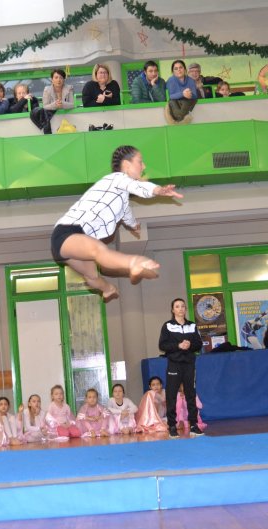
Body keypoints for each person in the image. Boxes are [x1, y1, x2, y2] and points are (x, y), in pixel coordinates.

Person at [51, 145, 182, 301]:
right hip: (67, 232)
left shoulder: (122, 198)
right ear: (126, 165)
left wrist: (134, 225)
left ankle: (108, 289)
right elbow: (139, 186)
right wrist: (158, 190)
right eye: (140, 162)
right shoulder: (116, 178)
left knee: (92, 276)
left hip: (77, 242)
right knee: (98, 250)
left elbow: (127, 215)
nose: (144, 166)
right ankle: (133, 262)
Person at [159, 297, 204, 438]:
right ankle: (172, 425)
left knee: (191, 394)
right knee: (171, 395)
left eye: (183, 306)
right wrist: (178, 346)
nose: (180, 309)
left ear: (185, 309)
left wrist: (190, 345)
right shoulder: (167, 326)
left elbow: (199, 344)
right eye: (177, 306)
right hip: (174, 364)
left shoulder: (192, 326)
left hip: (189, 364)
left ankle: (193, 425)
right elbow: (162, 345)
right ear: (173, 310)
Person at [33, 68, 74, 134]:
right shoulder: (47, 90)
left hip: (68, 117)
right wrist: (55, 105)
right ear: (52, 80)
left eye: (61, 77)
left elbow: (72, 104)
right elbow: (45, 106)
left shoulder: (69, 88)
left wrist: (62, 104)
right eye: (56, 77)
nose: (58, 80)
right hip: (52, 119)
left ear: (64, 80)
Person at [165, 59, 197, 124]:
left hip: (188, 101)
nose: (179, 70)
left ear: (185, 69)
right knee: (172, 102)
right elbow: (171, 96)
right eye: (176, 69)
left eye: (181, 67)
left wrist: (189, 94)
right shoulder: (171, 80)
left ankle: (180, 120)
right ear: (173, 72)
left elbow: (195, 95)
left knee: (188, 101)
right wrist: (183, 94)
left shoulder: (191, 80)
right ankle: (182, 119)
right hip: (175, 102)